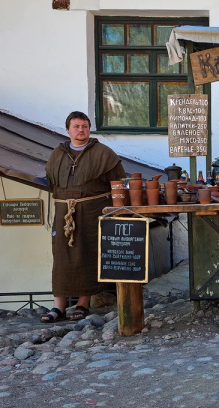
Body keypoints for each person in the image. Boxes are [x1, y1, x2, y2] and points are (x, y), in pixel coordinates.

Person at [41, 111, 126, 322]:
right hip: (64, 212)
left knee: (86, 255)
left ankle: (83, 303)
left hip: (92, 212)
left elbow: (118, 183)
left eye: (85, 126)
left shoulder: (104, 153)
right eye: (77, 126)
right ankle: (58, 306)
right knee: (61, 257)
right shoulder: (57, 154)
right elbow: (51, 182)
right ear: (68, 130)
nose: (81, 130)